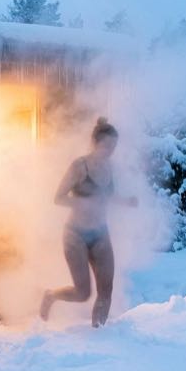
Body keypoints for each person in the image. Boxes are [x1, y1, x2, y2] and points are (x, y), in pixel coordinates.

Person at [40, 117, 137, 327]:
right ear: (95, 143)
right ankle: (51, 296)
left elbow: (106, 197)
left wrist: (126, 201)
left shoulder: (110, 168)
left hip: (100, 233)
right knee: (83, 293)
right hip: (75, 234)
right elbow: (58, 197)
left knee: (106, 289)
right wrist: (81, 203)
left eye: (114, 146)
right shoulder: (80, 166)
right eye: (107, 145)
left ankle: (99, 334)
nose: (111, 150)